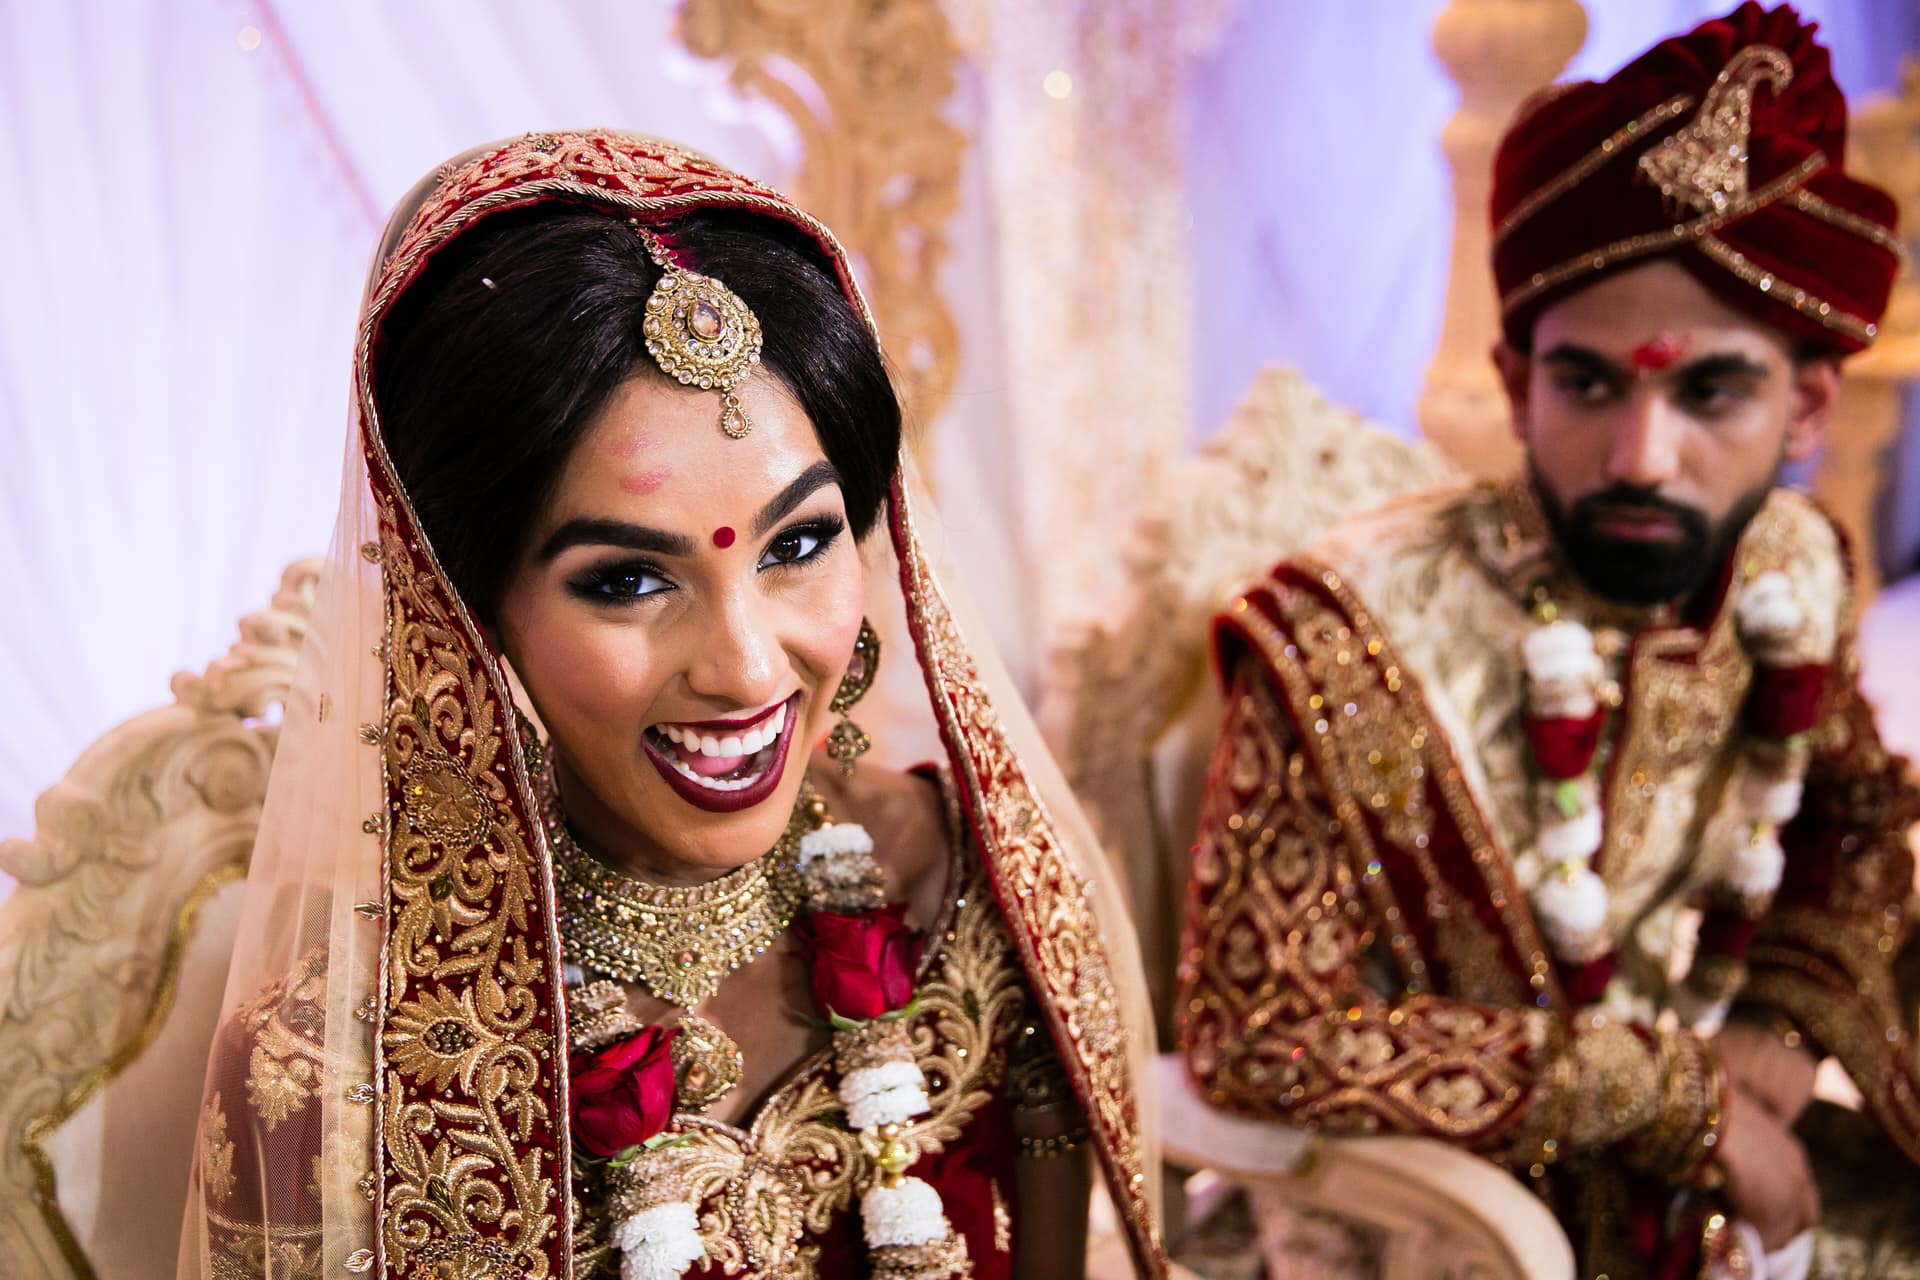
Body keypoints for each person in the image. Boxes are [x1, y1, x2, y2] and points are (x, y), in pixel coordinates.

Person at [178, 132, 1166, 1280]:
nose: (747, 668)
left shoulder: (966, 879)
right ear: (463, 610)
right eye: (629, 578)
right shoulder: (345, 1063)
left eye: (798, 542)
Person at [1175, 5, 1916, 1277]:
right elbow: (1260, 1032)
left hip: (1713, 1176)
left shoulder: (1793, 565)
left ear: (1805, 406)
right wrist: (1664, 1092)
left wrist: (1785, 1022)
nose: (1642, 456)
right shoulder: (1341, 633)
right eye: (1588, 384)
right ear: (1518, 383)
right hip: (1426, 1218)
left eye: (1711, 390)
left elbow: (1853, 822)